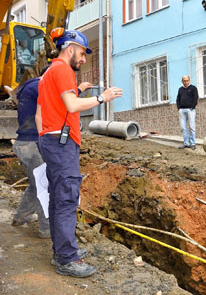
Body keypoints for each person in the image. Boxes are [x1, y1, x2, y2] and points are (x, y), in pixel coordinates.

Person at [36, 29, 122, 278]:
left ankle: (61, 251)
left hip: (50, 141)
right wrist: (101, 98)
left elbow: (43, 111)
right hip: (62, 144)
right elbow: (72, 105)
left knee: (57, 200)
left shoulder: (48, 73)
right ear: (70, 48)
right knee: (66, 201)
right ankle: (66, 259)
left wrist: (45, 138)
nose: (83, 59)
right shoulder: (62, 70)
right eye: (82, 53)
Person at [11, 66, 51, 238]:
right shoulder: (41, 86)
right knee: (44, 185)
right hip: (32, 143)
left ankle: (21, 216)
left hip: (24, 143)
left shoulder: (31, 86)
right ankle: (47, 230)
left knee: (36, 184)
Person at [176, 75, 198, 150]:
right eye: (184, 81)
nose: (185, 82)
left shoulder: (193, 88)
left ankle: (193, 143)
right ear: (182, 81)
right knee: (183, 127)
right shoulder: (180, 89)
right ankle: (186, 143)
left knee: (191, 127)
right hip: (182, 110)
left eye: (187, 80)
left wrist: (192, 107)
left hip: (190, 110)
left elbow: (196, 98)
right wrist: (179, 108)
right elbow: (177, 99)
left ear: (189, 80)